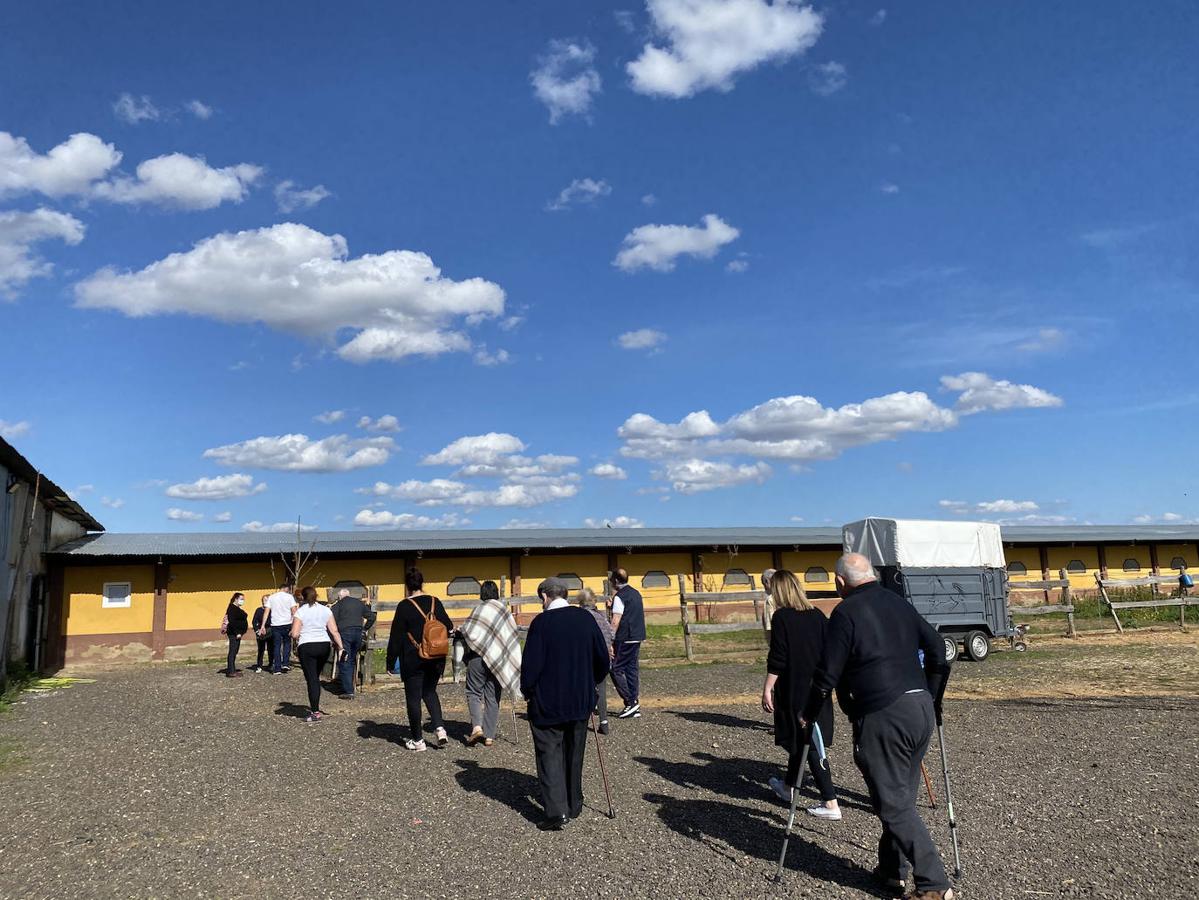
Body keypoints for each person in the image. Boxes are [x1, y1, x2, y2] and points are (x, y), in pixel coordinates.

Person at [802, 553, 953, 900]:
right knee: (900, 795)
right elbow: (938, 650)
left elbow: (827, 674)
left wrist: (808, 712)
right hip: (919, 708)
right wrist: (932, 695)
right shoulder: (899, 603)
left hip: (883, 713)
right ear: (871, 574)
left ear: (840, 582)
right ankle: (891, 871)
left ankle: (934, 884)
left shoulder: (845, 613)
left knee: (893, 804)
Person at [520, 577, 610, 831]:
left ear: (545, 597)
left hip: (548, 701)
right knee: (574, 751)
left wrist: (527, 690)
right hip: (580, 699)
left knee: (549, 751)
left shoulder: (542, 623)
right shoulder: (585, 619)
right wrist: (591, 681)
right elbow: (602, 659)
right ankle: (574, 803)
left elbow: (531, 665)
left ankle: (557, 812)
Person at [760, 570, 840, 820]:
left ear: (780, 590)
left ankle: (830, 802)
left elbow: (778, 657)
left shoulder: (782, 617)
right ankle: (787, 787)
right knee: (801, 738)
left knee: (809, 742)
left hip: (795, 687)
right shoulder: (817, 615)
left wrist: (767, 687)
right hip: (818, 686)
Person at [386, 567, 454, 752]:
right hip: (436, 657)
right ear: (422, 583)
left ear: (407, 586)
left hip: (413, 657)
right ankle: (440, 729)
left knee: (413, 698)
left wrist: (390, 661)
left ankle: (418, 740)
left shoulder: (404, 606)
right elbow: (448, 626)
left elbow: (396, 637)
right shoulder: (435, 602)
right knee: (430, 692)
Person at [458, 580, 521, 746]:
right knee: (493, 697)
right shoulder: (504, 611)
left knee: (473, 692)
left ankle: (477, 727)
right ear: (496, 594)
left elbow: (468, 630)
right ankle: (490, 736)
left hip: (477, 658)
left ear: (482, 594)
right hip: (498, 659)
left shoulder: (479, 609)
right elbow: (511, 636)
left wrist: (459, 630)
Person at [290, 586, 344, 724]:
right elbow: (334, 630)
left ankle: (315, 712)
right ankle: (316, 707)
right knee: (316, 676)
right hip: (324, 645)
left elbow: (295, 633)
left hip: (307, 645)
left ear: (302, 597)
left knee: (312, 679)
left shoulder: (300, 612)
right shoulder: (326, 610)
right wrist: (341, 647)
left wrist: (293, 634)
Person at [575, 586, 615, 734]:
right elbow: (612, 634)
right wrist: (609, 646)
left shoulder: (579, 617)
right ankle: (604, 722)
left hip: (585, 660)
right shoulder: (601, 616)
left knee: (582, 689)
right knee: (601, 690)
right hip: (603, 658)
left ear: (580, 602)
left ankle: (581, 720)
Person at [609, 568, 646, 720]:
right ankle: (634, 704)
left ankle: (630, 702)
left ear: (616, 581)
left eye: (612, 580)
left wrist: (609, 639)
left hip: (624, 637)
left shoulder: (620, 597)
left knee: (615, 669)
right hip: (637, 635)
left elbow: (616, 620)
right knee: (631, 669)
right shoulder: (635, 593)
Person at [332, 588, 377, 700]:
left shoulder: (338, 605)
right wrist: (364, 629)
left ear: (340, 596)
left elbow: (332, 621)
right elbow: (372, 617)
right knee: (352, 659)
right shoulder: (358, 603)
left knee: (344, 660)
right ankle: (350, 685)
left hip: (344, 633)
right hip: (358, 633)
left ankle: (348, 690)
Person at [265, 580, 298, 675]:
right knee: (287, 643)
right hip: (287, 623)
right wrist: (297, 623)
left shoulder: (271, 597)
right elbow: (294, 611)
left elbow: (266, 611)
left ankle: (277, 668)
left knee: (277, 646)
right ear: (286, 589)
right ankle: (286, 663)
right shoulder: (289, 597)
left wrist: (263, 625)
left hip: (275, 624)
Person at [224, 592, 248, 678]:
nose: (243, 601)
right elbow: (232, 622)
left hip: (238, 633)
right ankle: (231, 671)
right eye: (241, 599)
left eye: (243, 599)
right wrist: (237, 632)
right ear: (236, 599)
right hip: (234, 633)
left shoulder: (236, 608)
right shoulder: (232, 608)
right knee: (233, 651)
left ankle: (232, 669)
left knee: (235, 651)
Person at [251, 594, 273, 673]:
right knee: (261, 650)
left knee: (271, 649)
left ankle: (271, 665)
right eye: (264, 600)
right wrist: (257, 630)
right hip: (260, 632)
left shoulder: (272, 610)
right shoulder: (258, 610)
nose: (265, 602)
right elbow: (254, 621)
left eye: (267, 600)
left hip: (270, 631)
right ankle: (259, 665)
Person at [761, 567, 777, 632]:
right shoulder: (794, 596)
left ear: (767, 582)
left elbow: (770, 627)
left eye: (763, 584)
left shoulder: (770, 600)